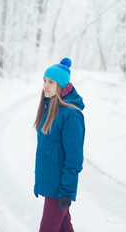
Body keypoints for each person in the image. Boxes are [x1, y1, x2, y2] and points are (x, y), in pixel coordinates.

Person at [33, 58, 85, 232]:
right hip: (52, 185)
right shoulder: (50, 109)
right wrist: (39, 181)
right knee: (64, 228)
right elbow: (47, 152)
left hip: (59, 189)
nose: (46, 86)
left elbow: (74, 158)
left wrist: (66, 191)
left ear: (61, 85)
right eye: (45, 81)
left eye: (51, 82)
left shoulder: (71, 115)